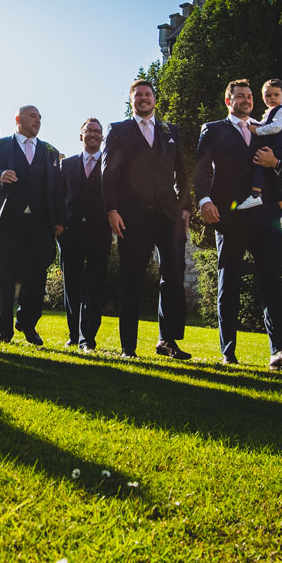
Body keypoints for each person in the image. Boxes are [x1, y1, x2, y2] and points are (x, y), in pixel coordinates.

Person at [194, 79, 282, 370]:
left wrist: (275, 164)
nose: (245, 100)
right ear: (228, 100)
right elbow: (201, 168)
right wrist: (204, 200)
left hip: (265, 215)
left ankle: (281, 353)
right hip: (229, 215)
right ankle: (228, 351)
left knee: (271, 282)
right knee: (228, 282)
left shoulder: (266, 129)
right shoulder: (214, 129)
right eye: (239, 96)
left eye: (249, 97)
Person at [102, 79, 191, 359]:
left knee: (175, 275)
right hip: (132, 217)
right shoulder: (118, 131)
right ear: (131, 100)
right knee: (132, 279)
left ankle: (168, 341)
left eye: (147, 94)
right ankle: (128, 345)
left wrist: (185, 208)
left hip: (168, 217)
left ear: (154, 99)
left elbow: (183, 172)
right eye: (138, 95)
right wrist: (112, 209)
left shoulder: (170, 130)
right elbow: (109, 173)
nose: (143, 98)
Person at [0, 105, 65, 345]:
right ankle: (3, 330)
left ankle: (28, 325)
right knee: (4, 275)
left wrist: (59, 219)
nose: (37, 120)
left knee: (36, 277)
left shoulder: (50, 151)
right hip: (7, 220)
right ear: (18, 119)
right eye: (32, 116)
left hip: (39, 223)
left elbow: (57, 187)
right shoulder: (0, 145)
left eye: (40, 117)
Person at [59, 118, 112, 350]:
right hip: (70, 233)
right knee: (71, 285)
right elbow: (57, 197)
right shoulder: (66, 165)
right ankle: (73, 333)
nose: (93, 134)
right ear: (81, 136)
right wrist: (58, 224)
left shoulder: (110, 165)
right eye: (88, 131)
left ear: (102, 137)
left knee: (95, 286)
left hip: (99, 232)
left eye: (97, 132)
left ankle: (87, 337)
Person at [240, 78, 282, 228]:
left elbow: (275, 128)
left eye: (276, 95)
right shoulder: (270, 111)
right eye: (268, 95)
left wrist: (257, 131)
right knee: (273, 179)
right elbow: (264, 124)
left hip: (281, 146)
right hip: (276, 146)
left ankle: (255, 194)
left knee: (259, 159)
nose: (271, 98)